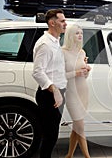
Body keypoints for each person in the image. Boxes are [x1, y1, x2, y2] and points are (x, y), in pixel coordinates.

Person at [32, 9, 67, 158]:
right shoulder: (45, 44)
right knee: (49, 136)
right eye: (62, 21)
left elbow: (54, 68)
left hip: (57, 93)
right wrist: (55, 90)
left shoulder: (55, 42)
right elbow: (38, 72)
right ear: (52, 23)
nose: (66, 24)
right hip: (50, 95)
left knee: (52, 135)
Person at [62, 24, 91, 158]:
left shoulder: (82, 52)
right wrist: (76, 72)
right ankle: (87, 157)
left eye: (81, 33)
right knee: (81, 127)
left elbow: (84, 75)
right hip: (71, 93)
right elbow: (60, 76)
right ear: (70, 35)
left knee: (76, 127)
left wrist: (86, 71)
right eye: (76, 33)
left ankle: (69, 155)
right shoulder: (62, 52)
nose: (80, 35)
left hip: (83, 91)